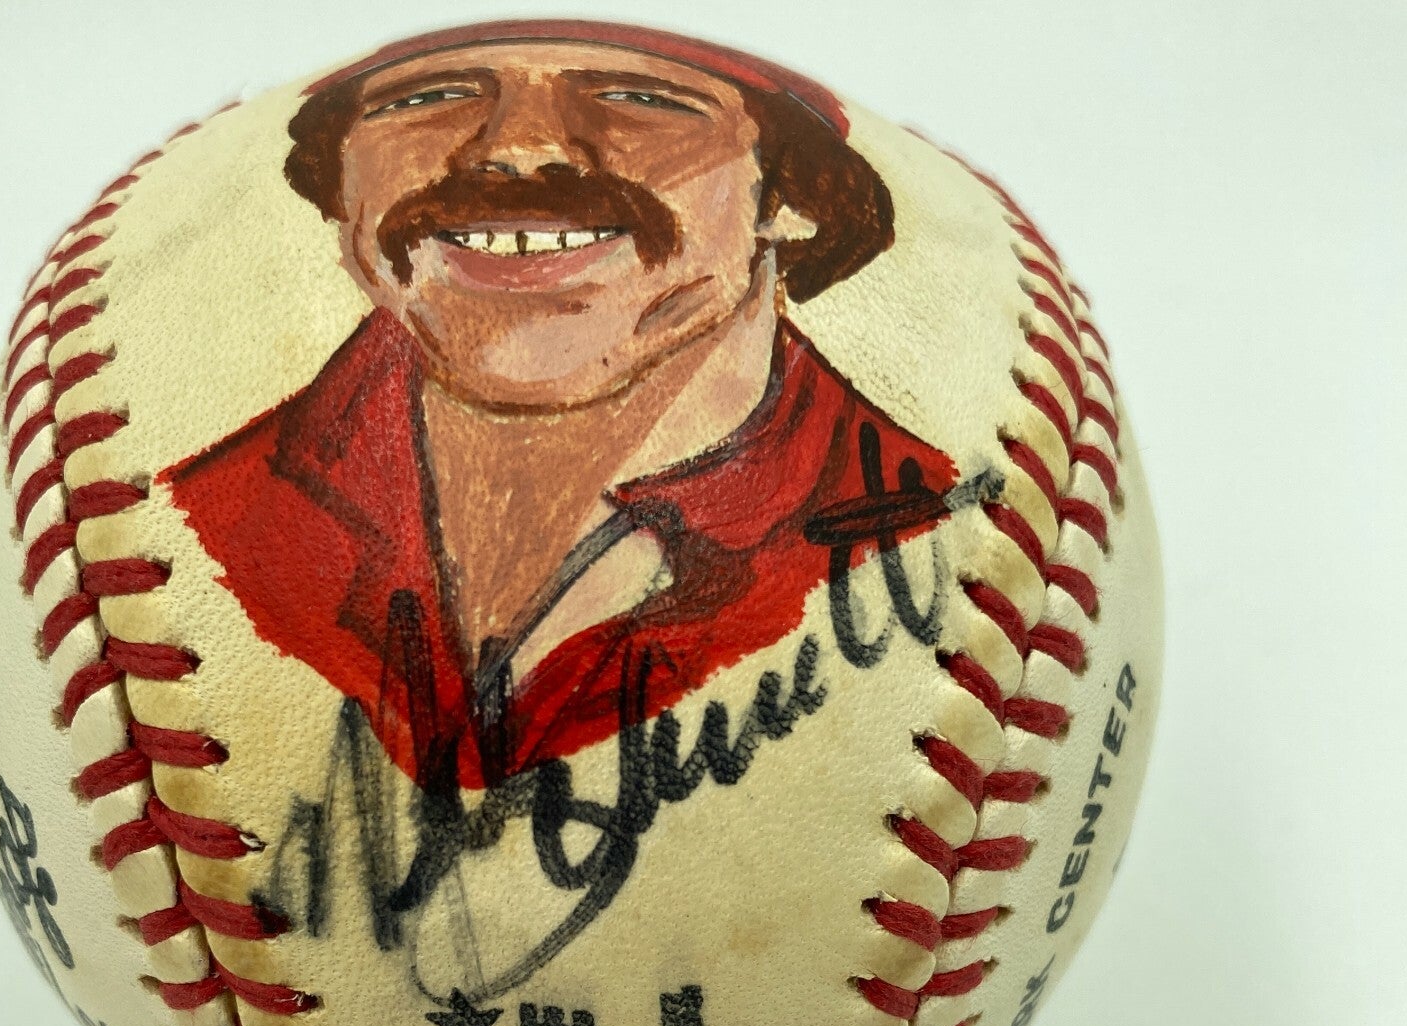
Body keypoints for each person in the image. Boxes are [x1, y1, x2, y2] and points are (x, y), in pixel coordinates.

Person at [162, 21, 957, 792]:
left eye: (638, 97)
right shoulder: (190, 533)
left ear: (792, 194)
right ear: (340, 182)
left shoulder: (927, 540)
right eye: (428, 96)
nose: (521, 148)